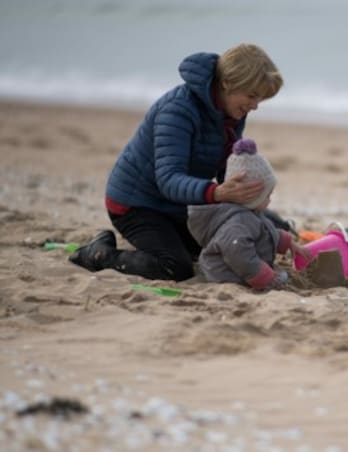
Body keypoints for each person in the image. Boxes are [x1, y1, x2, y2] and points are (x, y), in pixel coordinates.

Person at [69, 43, 285, 281]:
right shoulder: (178, 110)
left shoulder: (233, 111)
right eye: (252, 96)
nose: (255, 106)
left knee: (260, 229)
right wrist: (217, 193)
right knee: (176, 267)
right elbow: (168, 180)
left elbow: (227, 169)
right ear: (227, 83)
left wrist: (251, 197)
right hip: (137, 205)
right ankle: (100, 254)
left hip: (182, 203)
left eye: (260, 99)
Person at [187, 138, 309, 290]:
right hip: (226, 276)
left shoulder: (251, 213)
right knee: (279, 278)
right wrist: (263, 276)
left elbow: (265, 231)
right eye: (267, 196)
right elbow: (239, 255)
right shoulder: (237, 223)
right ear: (251, 196)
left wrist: (287, 242)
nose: (269, 201)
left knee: (281, 276)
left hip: (245, 270)